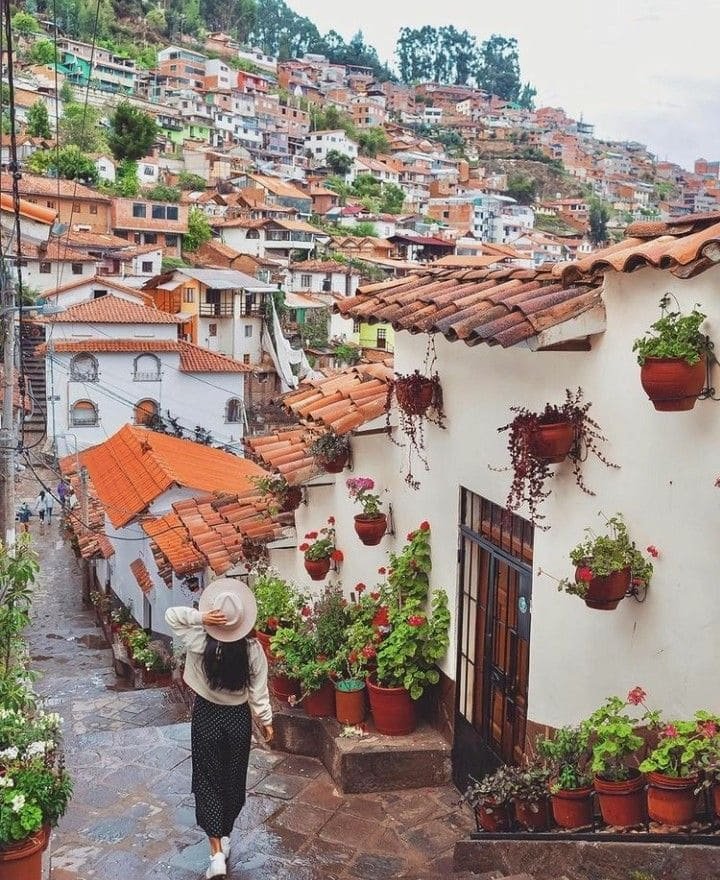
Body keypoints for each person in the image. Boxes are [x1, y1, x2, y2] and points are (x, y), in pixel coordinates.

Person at [166, 578, 273, 880]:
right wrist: (265, 721)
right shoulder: (252, 650)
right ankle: (223, 836)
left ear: (215, 614)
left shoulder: (199, 641)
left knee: (208, 779)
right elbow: (259, 690)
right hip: (238, 719)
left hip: (207, 717)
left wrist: (201, 617)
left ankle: (216, 853)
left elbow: (172, 616)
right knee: (233, 779)